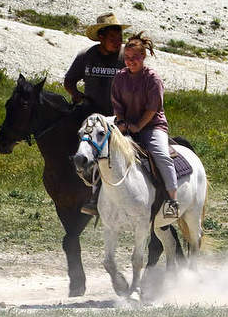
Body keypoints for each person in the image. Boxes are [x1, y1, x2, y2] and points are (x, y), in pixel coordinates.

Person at [111, 33, 179, 219]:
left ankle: (172, 201)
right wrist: (123, 123)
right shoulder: (120, 77)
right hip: (127, 125)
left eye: (134, 58)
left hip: (152, 126)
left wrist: (138, 127)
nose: (130, 61)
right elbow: (117, 104)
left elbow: (152, 108)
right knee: (102, 150)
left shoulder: (152, 79)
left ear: (143, 57)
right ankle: (95, 198)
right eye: (127, 57)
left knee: (161, 155)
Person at [65, 12, 127, 215]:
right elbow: (69, 80)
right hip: (90, 113)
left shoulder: (126, 57)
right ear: (101, 37)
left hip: (116, 115)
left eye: (120, 38)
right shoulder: (87, 56)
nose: (118, 42)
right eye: (113, 38)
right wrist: (77, 96)